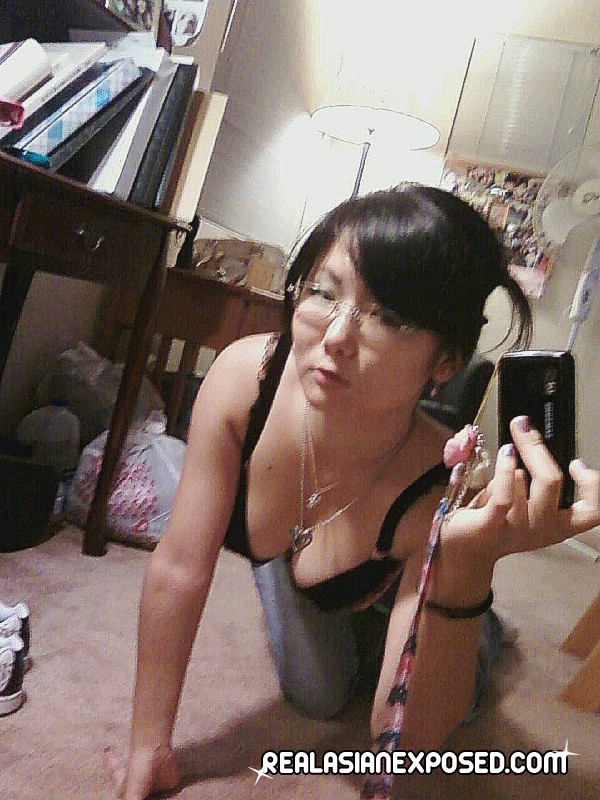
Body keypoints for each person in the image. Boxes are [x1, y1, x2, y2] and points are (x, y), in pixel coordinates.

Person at [104, 186, 600, 799]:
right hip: (320, 575)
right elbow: (179, 567)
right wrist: (148, 746)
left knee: (464, 696)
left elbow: (402, 750)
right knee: (318, 694)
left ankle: (483, 625)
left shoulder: (441, 482)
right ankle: (297, 563)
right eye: (323, 292)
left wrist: (466, 566)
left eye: (389, 317)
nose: (336, 336)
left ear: (446, 361)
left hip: (398, 574)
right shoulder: (244, 380)